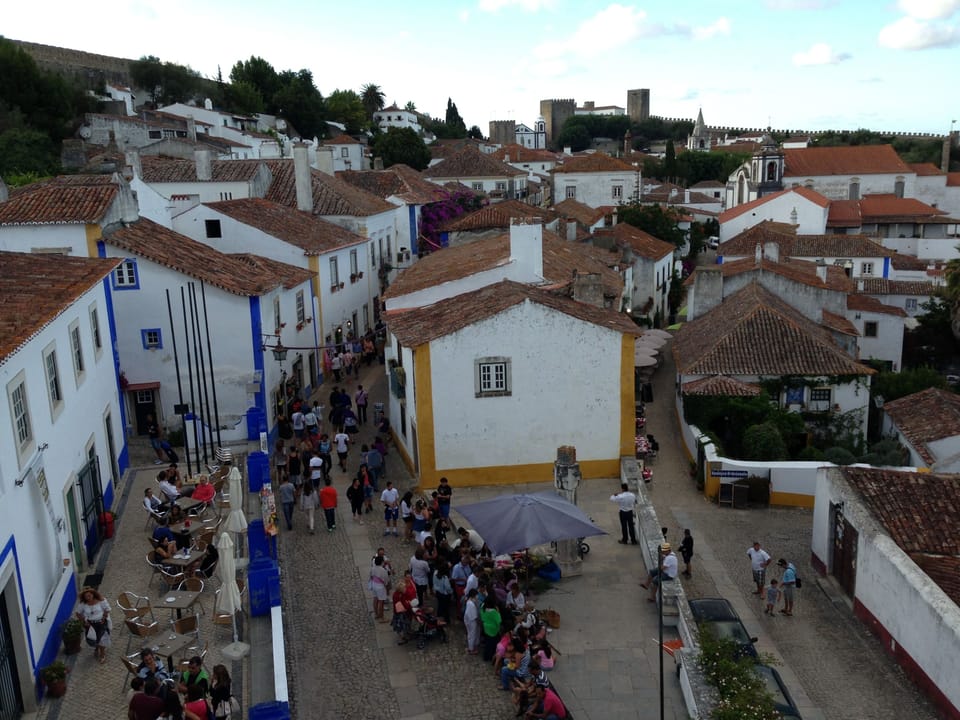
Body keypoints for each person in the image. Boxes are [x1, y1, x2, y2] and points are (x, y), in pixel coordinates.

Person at [75, 586, 111, 663]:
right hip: (90, 625)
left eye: (89, 595)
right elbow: (78, 613)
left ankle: (102, 654)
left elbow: (107, 609)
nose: (88, 597)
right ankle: (96, 648)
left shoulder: (101, 601)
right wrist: (84, 621)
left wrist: (104, 617)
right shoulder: (83, 604)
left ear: (93, 594)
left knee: (102, 639)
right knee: (93, 638)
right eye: (86, 596)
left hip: (101, 623)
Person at [369, 555, 391, 622]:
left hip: (374, 584)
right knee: (381, 602)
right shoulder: (383, 570)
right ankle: (382, 617)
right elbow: (386, 580)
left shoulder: (373, 568)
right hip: (380, 586)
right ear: (381, 562)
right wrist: (386, 587)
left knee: (375, 599)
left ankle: (376, 614)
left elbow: (371, 576)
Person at [463, 588, 481, 655]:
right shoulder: (472, 604)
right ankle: (471, 649)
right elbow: (475, 616)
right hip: (472, 621)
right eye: (476, 595)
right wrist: (479, 622)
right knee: (472, 635)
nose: (477, 597)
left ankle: (471, 647)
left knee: (470, 634)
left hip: (468, 620)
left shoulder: (469, 601)